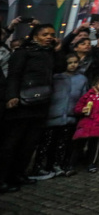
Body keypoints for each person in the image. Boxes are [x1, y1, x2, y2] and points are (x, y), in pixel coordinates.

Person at [1, 24, 65, 194]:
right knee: (12, 143)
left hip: (40, 104)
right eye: (45, 34)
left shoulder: (49, 53)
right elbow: (14, 75)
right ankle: (3, 178)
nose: (49, 37)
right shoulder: (23, 52)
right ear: (35, 36)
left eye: (52, 34)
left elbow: (60, 68)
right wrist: (12, 96)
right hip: (21, 104)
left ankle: (18, 174)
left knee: (29, 143)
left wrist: (58, 51)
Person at [31, 53, 88, 179]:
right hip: (53, 115)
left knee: (63, 143)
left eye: (75, 62)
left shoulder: (82, 79)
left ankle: (57, 165)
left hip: (70, 115)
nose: (73, 65)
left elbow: (83, 97)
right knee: (46, 143)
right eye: (70, 62)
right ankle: (40, 166)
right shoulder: (56, 78)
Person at [71, 75, 99, 173]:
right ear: (95, 83)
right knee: (79, 144)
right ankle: (72, 164)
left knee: (94, 145)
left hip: (98, 123)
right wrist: (81, 110)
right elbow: (78, 107)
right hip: (86, 123)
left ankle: (92, 163)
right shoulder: (89, 94)